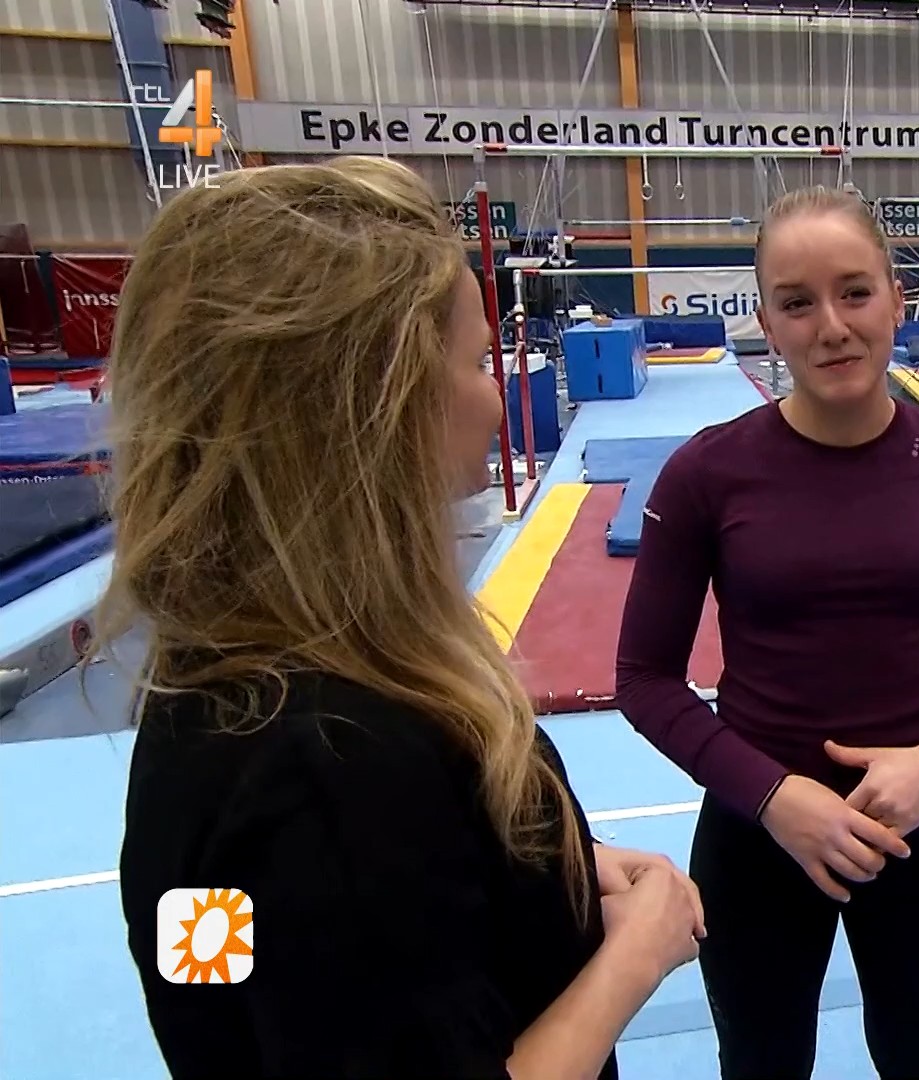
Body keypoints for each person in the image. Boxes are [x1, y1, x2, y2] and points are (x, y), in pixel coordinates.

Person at [110, 156, 703, 1079]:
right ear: (378, 408)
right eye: (475, 362)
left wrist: (554, 865)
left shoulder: (221, 687)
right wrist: (635, 954)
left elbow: (251, 967)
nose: (495, 395)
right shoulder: (332, 767)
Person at [614, 185, 919, 1080]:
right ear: (766, 323)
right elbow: (644, 679)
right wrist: (775, 796)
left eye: (855, 293)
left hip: (917, 832)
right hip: (758, 836)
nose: (831, 327)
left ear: (896, 298)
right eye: (797, 303)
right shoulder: (708, 473)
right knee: (762, 1062)